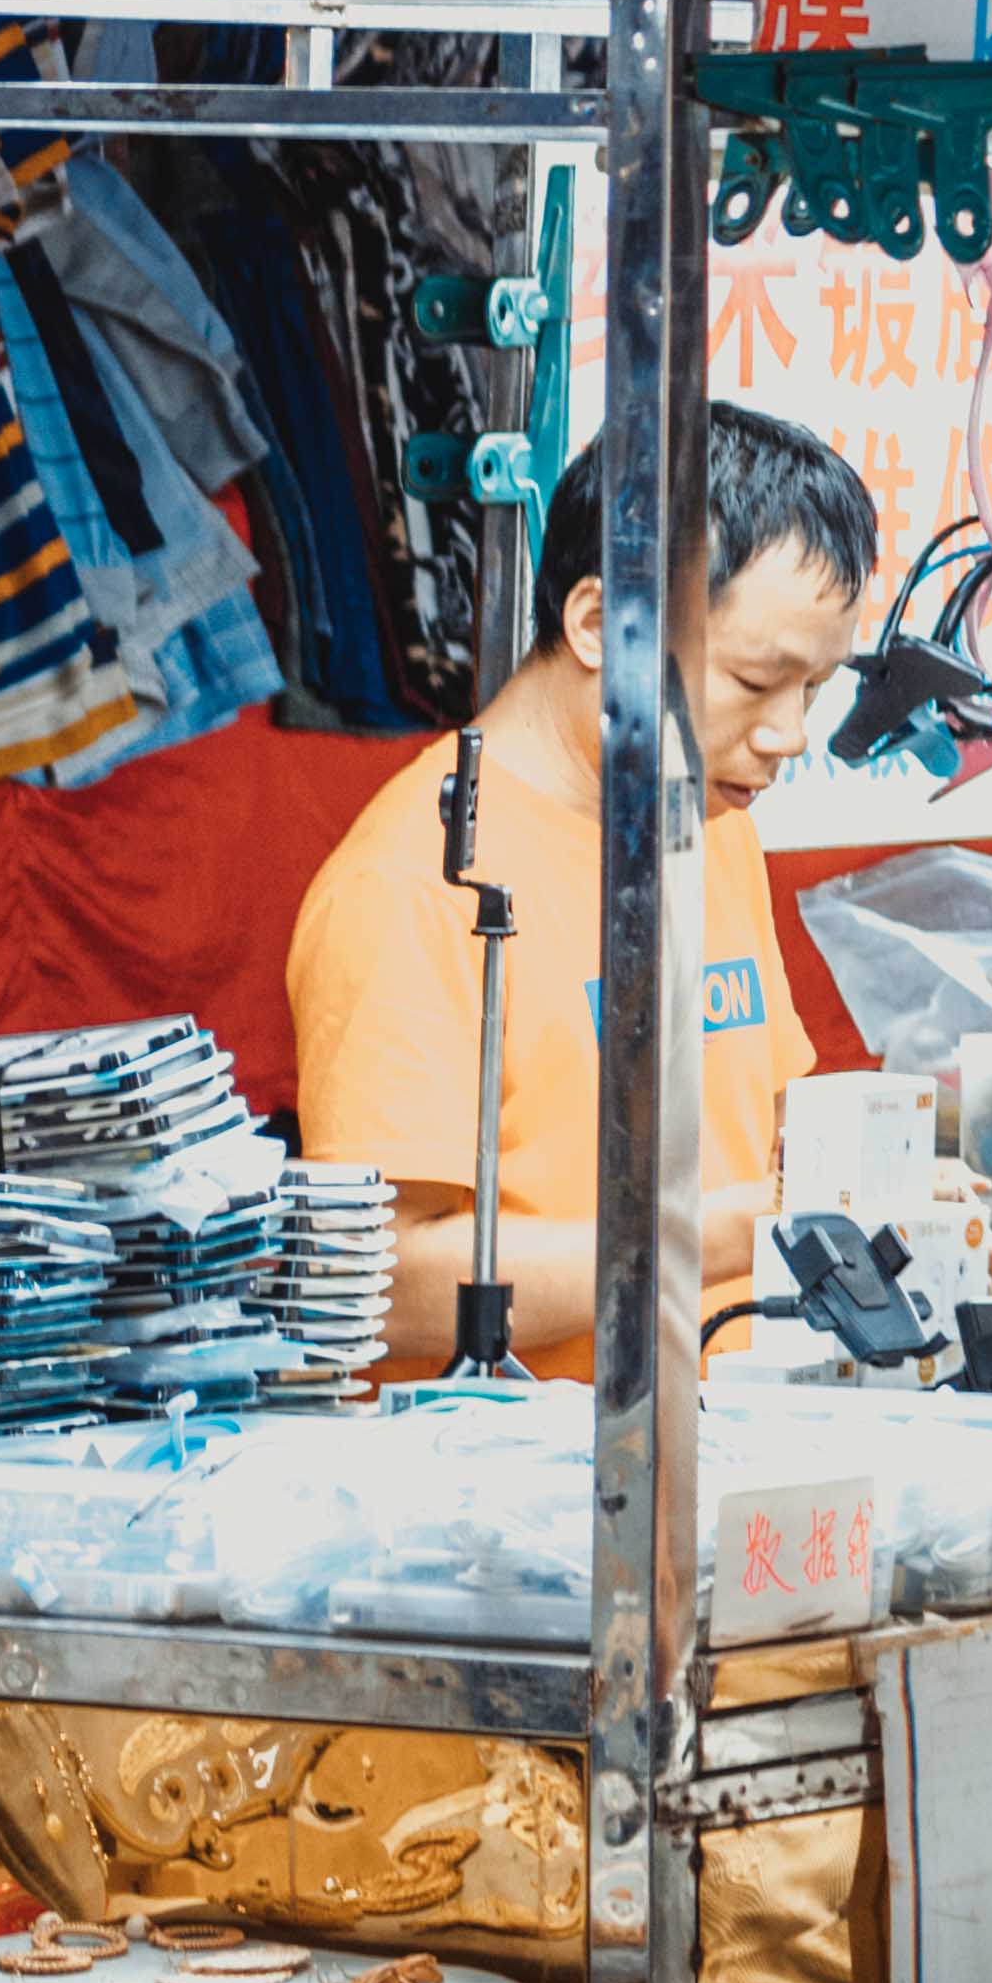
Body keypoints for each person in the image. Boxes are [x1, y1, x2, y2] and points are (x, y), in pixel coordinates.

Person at [284, 403, 880, 1375]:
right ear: (601, 623)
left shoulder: (711, 824)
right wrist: (710, 1236)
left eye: (814, 690)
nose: (791, 734)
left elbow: (764, 1139)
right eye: (756, 680)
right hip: (519, 1485)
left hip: (726, 1442)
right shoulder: (414, 880)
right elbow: (383, 1284)